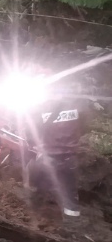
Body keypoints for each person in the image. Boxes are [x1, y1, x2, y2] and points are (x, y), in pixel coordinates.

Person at [23, 77, 86, 224]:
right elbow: (82, 126)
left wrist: (32, 143)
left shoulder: (41, 107)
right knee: (69, 191)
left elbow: (31, 132)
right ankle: (72, 222)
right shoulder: (75, 106)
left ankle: (33, 212)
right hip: (70, 159)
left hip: (48, 158)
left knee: (32, 177)